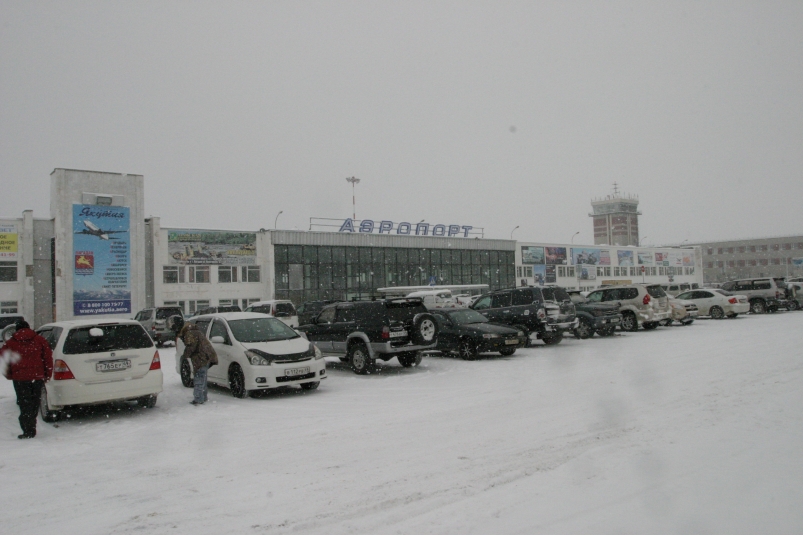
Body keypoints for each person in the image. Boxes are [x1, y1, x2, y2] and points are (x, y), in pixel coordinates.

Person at [1, 320, 53, 439]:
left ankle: (27, 429)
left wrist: (10, 374)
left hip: (20, 379)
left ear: (17, 329)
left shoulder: (11, 342)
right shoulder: (40, 340)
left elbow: (4, 359)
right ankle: (31, 424)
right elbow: (47, 357)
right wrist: (47, 374)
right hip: (37, 377)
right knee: (35, 402)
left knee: (24, 403)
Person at [178, 323, 218, 405]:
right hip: (207, 356)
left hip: (201, 358)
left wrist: (184, 356)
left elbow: (191, 346)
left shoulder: (190, 333)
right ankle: (203, 396)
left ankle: (198, 399)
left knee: (199, 378)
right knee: (203, 378)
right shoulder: (197, 332)